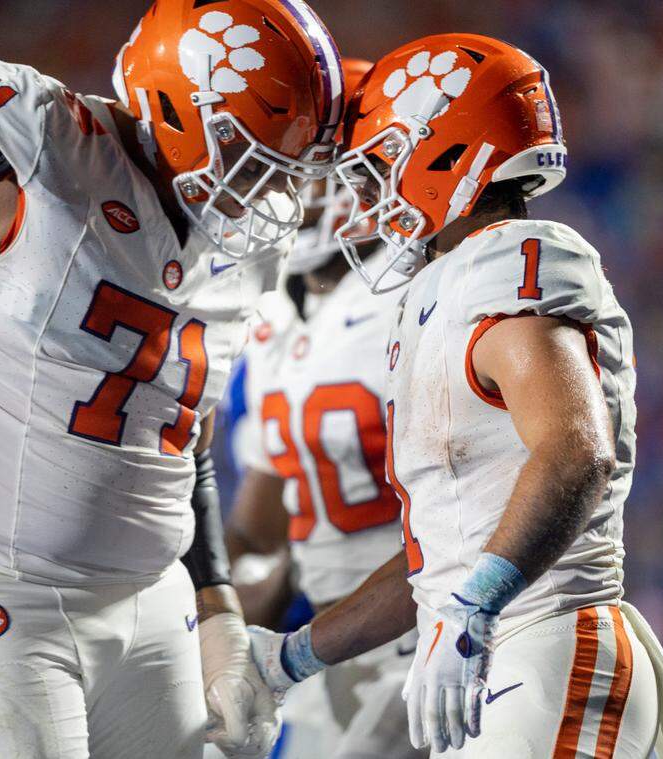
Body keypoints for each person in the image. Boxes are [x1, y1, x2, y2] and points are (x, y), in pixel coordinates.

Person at [0, 1, 345, 756]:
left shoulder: (240, 249)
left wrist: (219, 605)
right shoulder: (40, 154)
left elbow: (180, 436)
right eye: (249, 154)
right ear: (174, 108)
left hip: (152, 599)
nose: (264, 191)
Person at [247, 34, 663, 758]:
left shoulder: (509, 264)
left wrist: (472, 605)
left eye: (380, 164)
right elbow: (434, 561)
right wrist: (289, 657)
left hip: (548, 642)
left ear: (444, 154)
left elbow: (574, 452)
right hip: (496, 654)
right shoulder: (440, 289)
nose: (367, 195)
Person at [223, 57, 424, 759]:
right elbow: (259, 528)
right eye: (287, 169)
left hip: (424, 634)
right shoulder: (277, 316)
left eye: (319, 168)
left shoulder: (417, 296)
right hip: (323, 648)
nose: (295, 190)